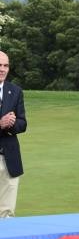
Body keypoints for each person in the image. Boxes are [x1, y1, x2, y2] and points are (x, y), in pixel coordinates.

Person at [0, 51, 27, 219]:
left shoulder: (15, 91)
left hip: (9, 159)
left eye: (5, 65)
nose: (2, 69)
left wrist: (10, 124)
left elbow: (23, 123)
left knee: (7, 213)